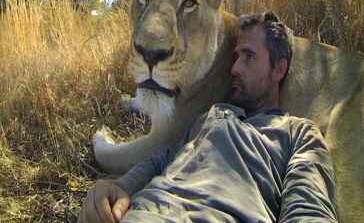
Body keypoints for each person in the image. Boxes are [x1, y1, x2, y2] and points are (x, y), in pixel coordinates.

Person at [78, 11, 338, 223]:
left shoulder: (299, 133)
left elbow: (308, 209)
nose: (234, 68)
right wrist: (121, 186)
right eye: (236, 57)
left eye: (248, 57)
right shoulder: (213, 115)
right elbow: (164, 160)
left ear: (279, 68)